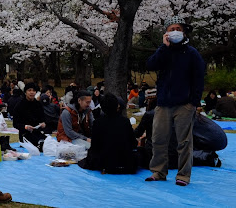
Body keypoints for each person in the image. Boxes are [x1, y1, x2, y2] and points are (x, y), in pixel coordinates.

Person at [145, 16, 205, 186]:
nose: (175, 32)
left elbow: (199, 78)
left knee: (184, 142)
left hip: (184, 103)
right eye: (171, 29)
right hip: (163, 102)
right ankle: (158, 172)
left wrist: (193, 102)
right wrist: (163, 48)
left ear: (184, 31)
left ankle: (183, 175)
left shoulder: (192, 53)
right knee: (158, 139)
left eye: (178, 28)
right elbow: (150, 65)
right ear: (166, 33)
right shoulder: (163, 51)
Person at [78, 93, 137, 174]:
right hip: (125, 162)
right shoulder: (125, 121)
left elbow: (94, 146)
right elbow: (133, 143)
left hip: (104, 162)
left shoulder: (98, 123)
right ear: (117, 106)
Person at [13, 83, 46, 149]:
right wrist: (25, 127)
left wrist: (43, 124)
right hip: (25, 134)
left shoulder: (38, 104)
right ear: (25, 92)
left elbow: (43, 119)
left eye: (33, 91)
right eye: (29, 90)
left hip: (37, 132)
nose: (32, 92)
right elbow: (15, 124)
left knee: (48, 143)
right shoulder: (19, 105)